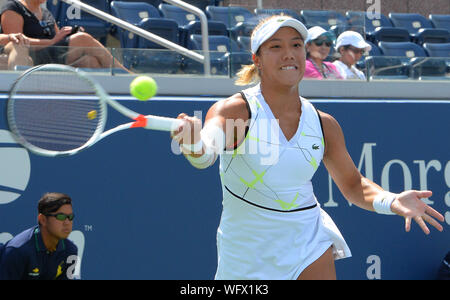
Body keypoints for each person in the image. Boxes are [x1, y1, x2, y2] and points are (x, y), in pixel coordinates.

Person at [170, 15, 445, 280]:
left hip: (308, 241)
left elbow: (353, 185)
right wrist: (192, 142)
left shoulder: (324, 124)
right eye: (276, 46)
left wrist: (392, 200)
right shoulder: (236, 110)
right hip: (246, 253)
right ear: (257, 60)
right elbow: (204, 154)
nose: (289, 53)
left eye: (296, 45)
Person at [0, 0, 128, 71]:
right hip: (31, 56)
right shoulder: (13, 7)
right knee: (82, 39)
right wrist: (52, 42)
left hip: (51, 55)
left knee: (90, 61)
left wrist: (67, 34)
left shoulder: (46, 12)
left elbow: (57, 39)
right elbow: (18, 41)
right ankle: (125, 75)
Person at [0, 192, 78, 280]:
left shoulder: (71, 250)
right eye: (61, 216)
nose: (67, 222)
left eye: (70, 217)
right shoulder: (17, 250)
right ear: (43, 220)